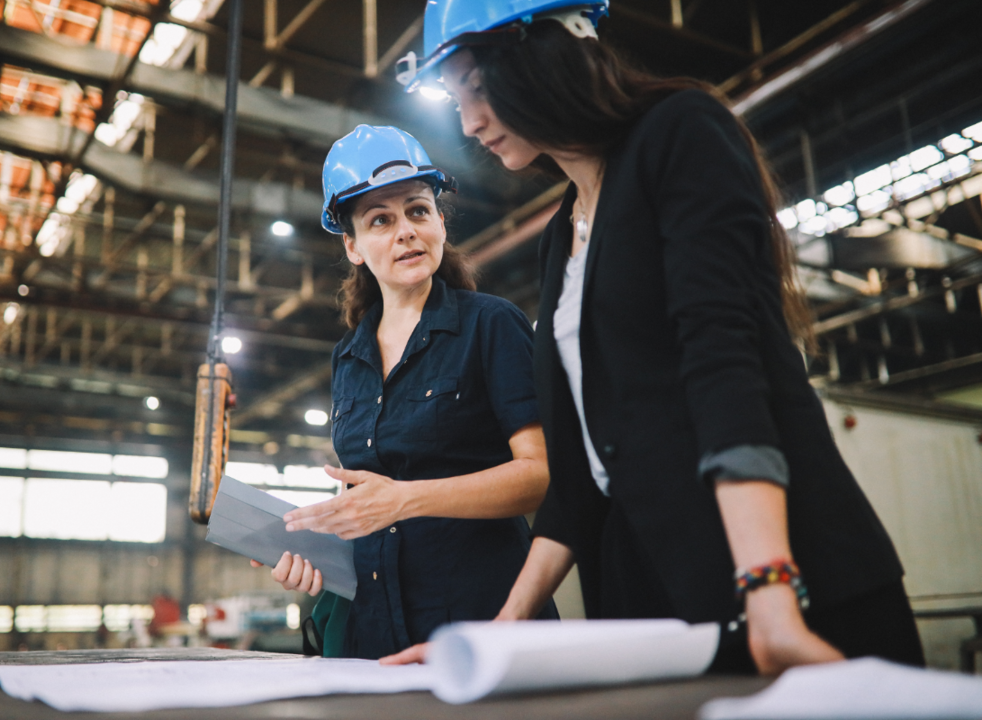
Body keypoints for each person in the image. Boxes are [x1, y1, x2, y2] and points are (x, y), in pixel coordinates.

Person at [385, 0, 925, 673]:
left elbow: (723, 358)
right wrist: (499, 633)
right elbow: (578, 484)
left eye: (476, 86)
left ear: (541, 52)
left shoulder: (678, 132)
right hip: (657, 603)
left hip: (785, 577)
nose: (468, 121)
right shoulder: (563, 231)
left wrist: (768, 586)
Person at [260, 124, 559, 660]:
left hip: (479, 619)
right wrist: (313, 545)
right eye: (381, 220)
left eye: (418, 210)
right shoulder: (348, 357)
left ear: (441, 222)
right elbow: (366, 498)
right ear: (352, 246)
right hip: (372, 629)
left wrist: (405, 500)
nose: (406, 231)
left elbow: (541, 476)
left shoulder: (491, 326)